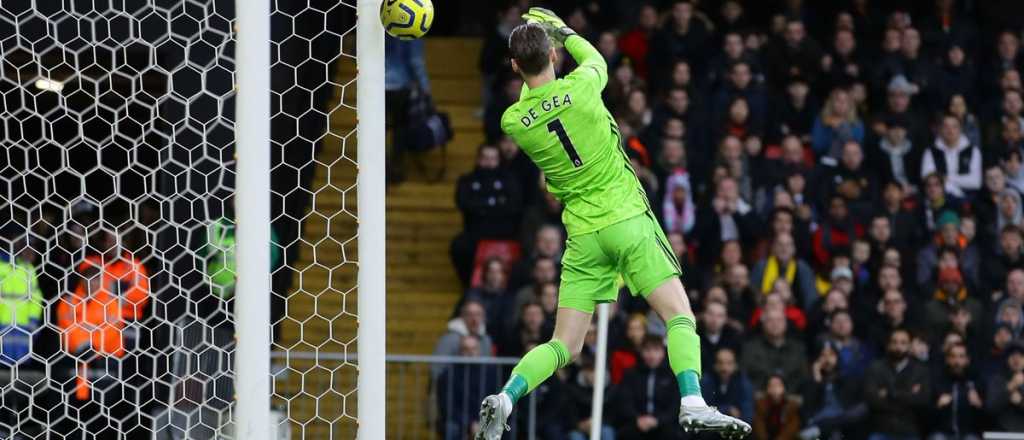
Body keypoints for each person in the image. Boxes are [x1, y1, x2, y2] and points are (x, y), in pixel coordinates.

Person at [475, 10, 750, 439]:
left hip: (583, 236)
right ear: (553, 54)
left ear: (514, 66)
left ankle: (507, 397)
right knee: (679, 315)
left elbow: (539, 99)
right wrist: (564, 31)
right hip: (626, 220)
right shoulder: (584, 85)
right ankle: (693, 402)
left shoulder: (514, 121)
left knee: (564, 345)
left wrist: (539, 48)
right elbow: (595, 57)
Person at [864, 328, 931, 440]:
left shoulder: (921, 371)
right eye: (894, 342)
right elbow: (872, 400)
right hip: (881, 429)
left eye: (903, 343)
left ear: (910, 346)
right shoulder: (875, 368)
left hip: (909, 430)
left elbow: (923, 400)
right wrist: (909, 394)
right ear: (888, 345)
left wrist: (889, 394)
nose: (898, 347)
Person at [613, 335, 684, 439]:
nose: (652, 355)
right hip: (636, 423)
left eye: (656, 350)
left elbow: (675, 406)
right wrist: (637, 419)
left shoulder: (672, 375)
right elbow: (625, 402)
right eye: (647, 350)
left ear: (663, 352)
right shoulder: (631, 374)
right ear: (641, 352)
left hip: (664, 425)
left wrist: (658, 421)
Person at [929, 342, 984, 440]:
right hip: (943, 432)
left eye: (961, 356)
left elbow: (988, 418)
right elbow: (925, 417)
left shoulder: (976, 382)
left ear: (967, 360)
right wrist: (937, 406)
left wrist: (979, 405)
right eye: (953, 356)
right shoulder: (938, 382)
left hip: (968, 433)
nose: (957, 361)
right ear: (947, 359)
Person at [701, 348, 754, 424]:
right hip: (711, 427)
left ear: (735, 365)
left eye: (729, 363)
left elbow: (747, 414)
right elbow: (703, 411)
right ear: (715, 365)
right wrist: (727, 409)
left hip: (736, 427)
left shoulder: (743, 382)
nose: (724, 368)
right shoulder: (706, 381)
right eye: (720, 363)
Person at [752, 375, 801, 440]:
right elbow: (758, 424)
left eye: (778, 385)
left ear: (783, 388)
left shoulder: (791, 405)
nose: (775, 388)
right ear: (767, 389)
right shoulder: (761, 404)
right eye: (771, 386)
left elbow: (793, 426)